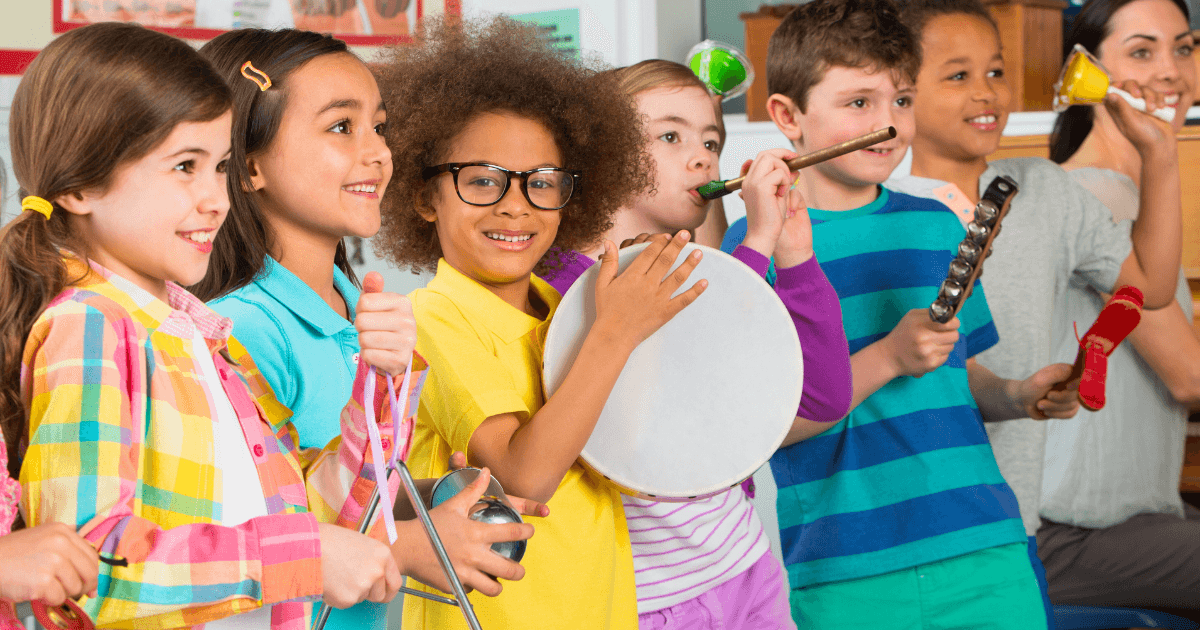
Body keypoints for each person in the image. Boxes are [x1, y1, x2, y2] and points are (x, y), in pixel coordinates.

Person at [0, 22, 422, 629]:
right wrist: (301, 558)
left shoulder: (198, 336)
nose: (216, 199)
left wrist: (382, 384)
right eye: (183, 167)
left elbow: (318, 515)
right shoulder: (91, 327)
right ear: (82, 186)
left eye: (219, 166)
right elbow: (84, 576)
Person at [722, 0, 1081, 626]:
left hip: (983, 541)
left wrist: (1019, 395)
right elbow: (758, 429)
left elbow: (952, 372)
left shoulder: (937, 223)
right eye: (859, 103)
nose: (888, 124)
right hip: (844, 567)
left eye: (902, 101)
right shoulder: (754, 245)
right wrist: (889, 356)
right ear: (787, 115)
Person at [191, 29, 537, 630]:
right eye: (340, 127)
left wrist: (429, 501)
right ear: (247, 166)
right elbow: (249, 540)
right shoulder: (239, 332)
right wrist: (407, 547)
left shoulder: (366, 314)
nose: (378, 152)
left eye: (379, 125)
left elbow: (337, 489)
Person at [375, 16, 708, 630]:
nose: (515, 204)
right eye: (481, 180)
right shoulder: (434, 319)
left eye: (543, 183)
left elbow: (628, 459)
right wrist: (616, 333)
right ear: (424, 197)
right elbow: (524, 475)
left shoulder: (565, 310)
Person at [890, 0, 1183, 622]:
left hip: (1010, 518)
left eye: (995, 72)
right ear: (900, 92)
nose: (986, 93)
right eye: (958, 76)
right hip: (907, 525)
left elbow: (1150, 287)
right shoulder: (877, 205)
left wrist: (1159, 155)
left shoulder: (1044, 189)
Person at [541, 58, 852, 630]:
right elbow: (677, 387)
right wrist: (756, 241)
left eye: (711, 140)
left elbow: (822, 400)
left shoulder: (701, 273)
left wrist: (795, 255)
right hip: (640, 599)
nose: (704, 156)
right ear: (597, 152)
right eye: (670, 135)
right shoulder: (556, 286)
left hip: (745, 567)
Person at [1039, 0, 1200, 619]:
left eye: (1182, 48)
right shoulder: (1088, 199)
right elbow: (1189, 376)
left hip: (1134, 524)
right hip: (1072, 535)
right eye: (1141, 51)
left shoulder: (1134, 196)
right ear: (1087, 71)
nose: (1171, 72)